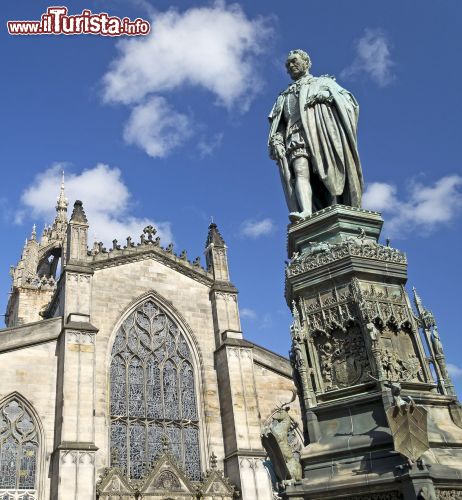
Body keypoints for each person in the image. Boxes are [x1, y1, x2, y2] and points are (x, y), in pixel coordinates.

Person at [268, 49, 364, 220]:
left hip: (321, 133)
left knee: (328, 170)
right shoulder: (284, 96)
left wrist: (327, 96)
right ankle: (306, 211)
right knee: (300, 171)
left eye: (294, 61)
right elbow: (279, 124)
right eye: (288, 64)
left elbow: (350, 101)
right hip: (295, 134)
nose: (291, 65)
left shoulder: (323, 82)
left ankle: (337, 208)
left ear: (306, 63)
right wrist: (277, 139)